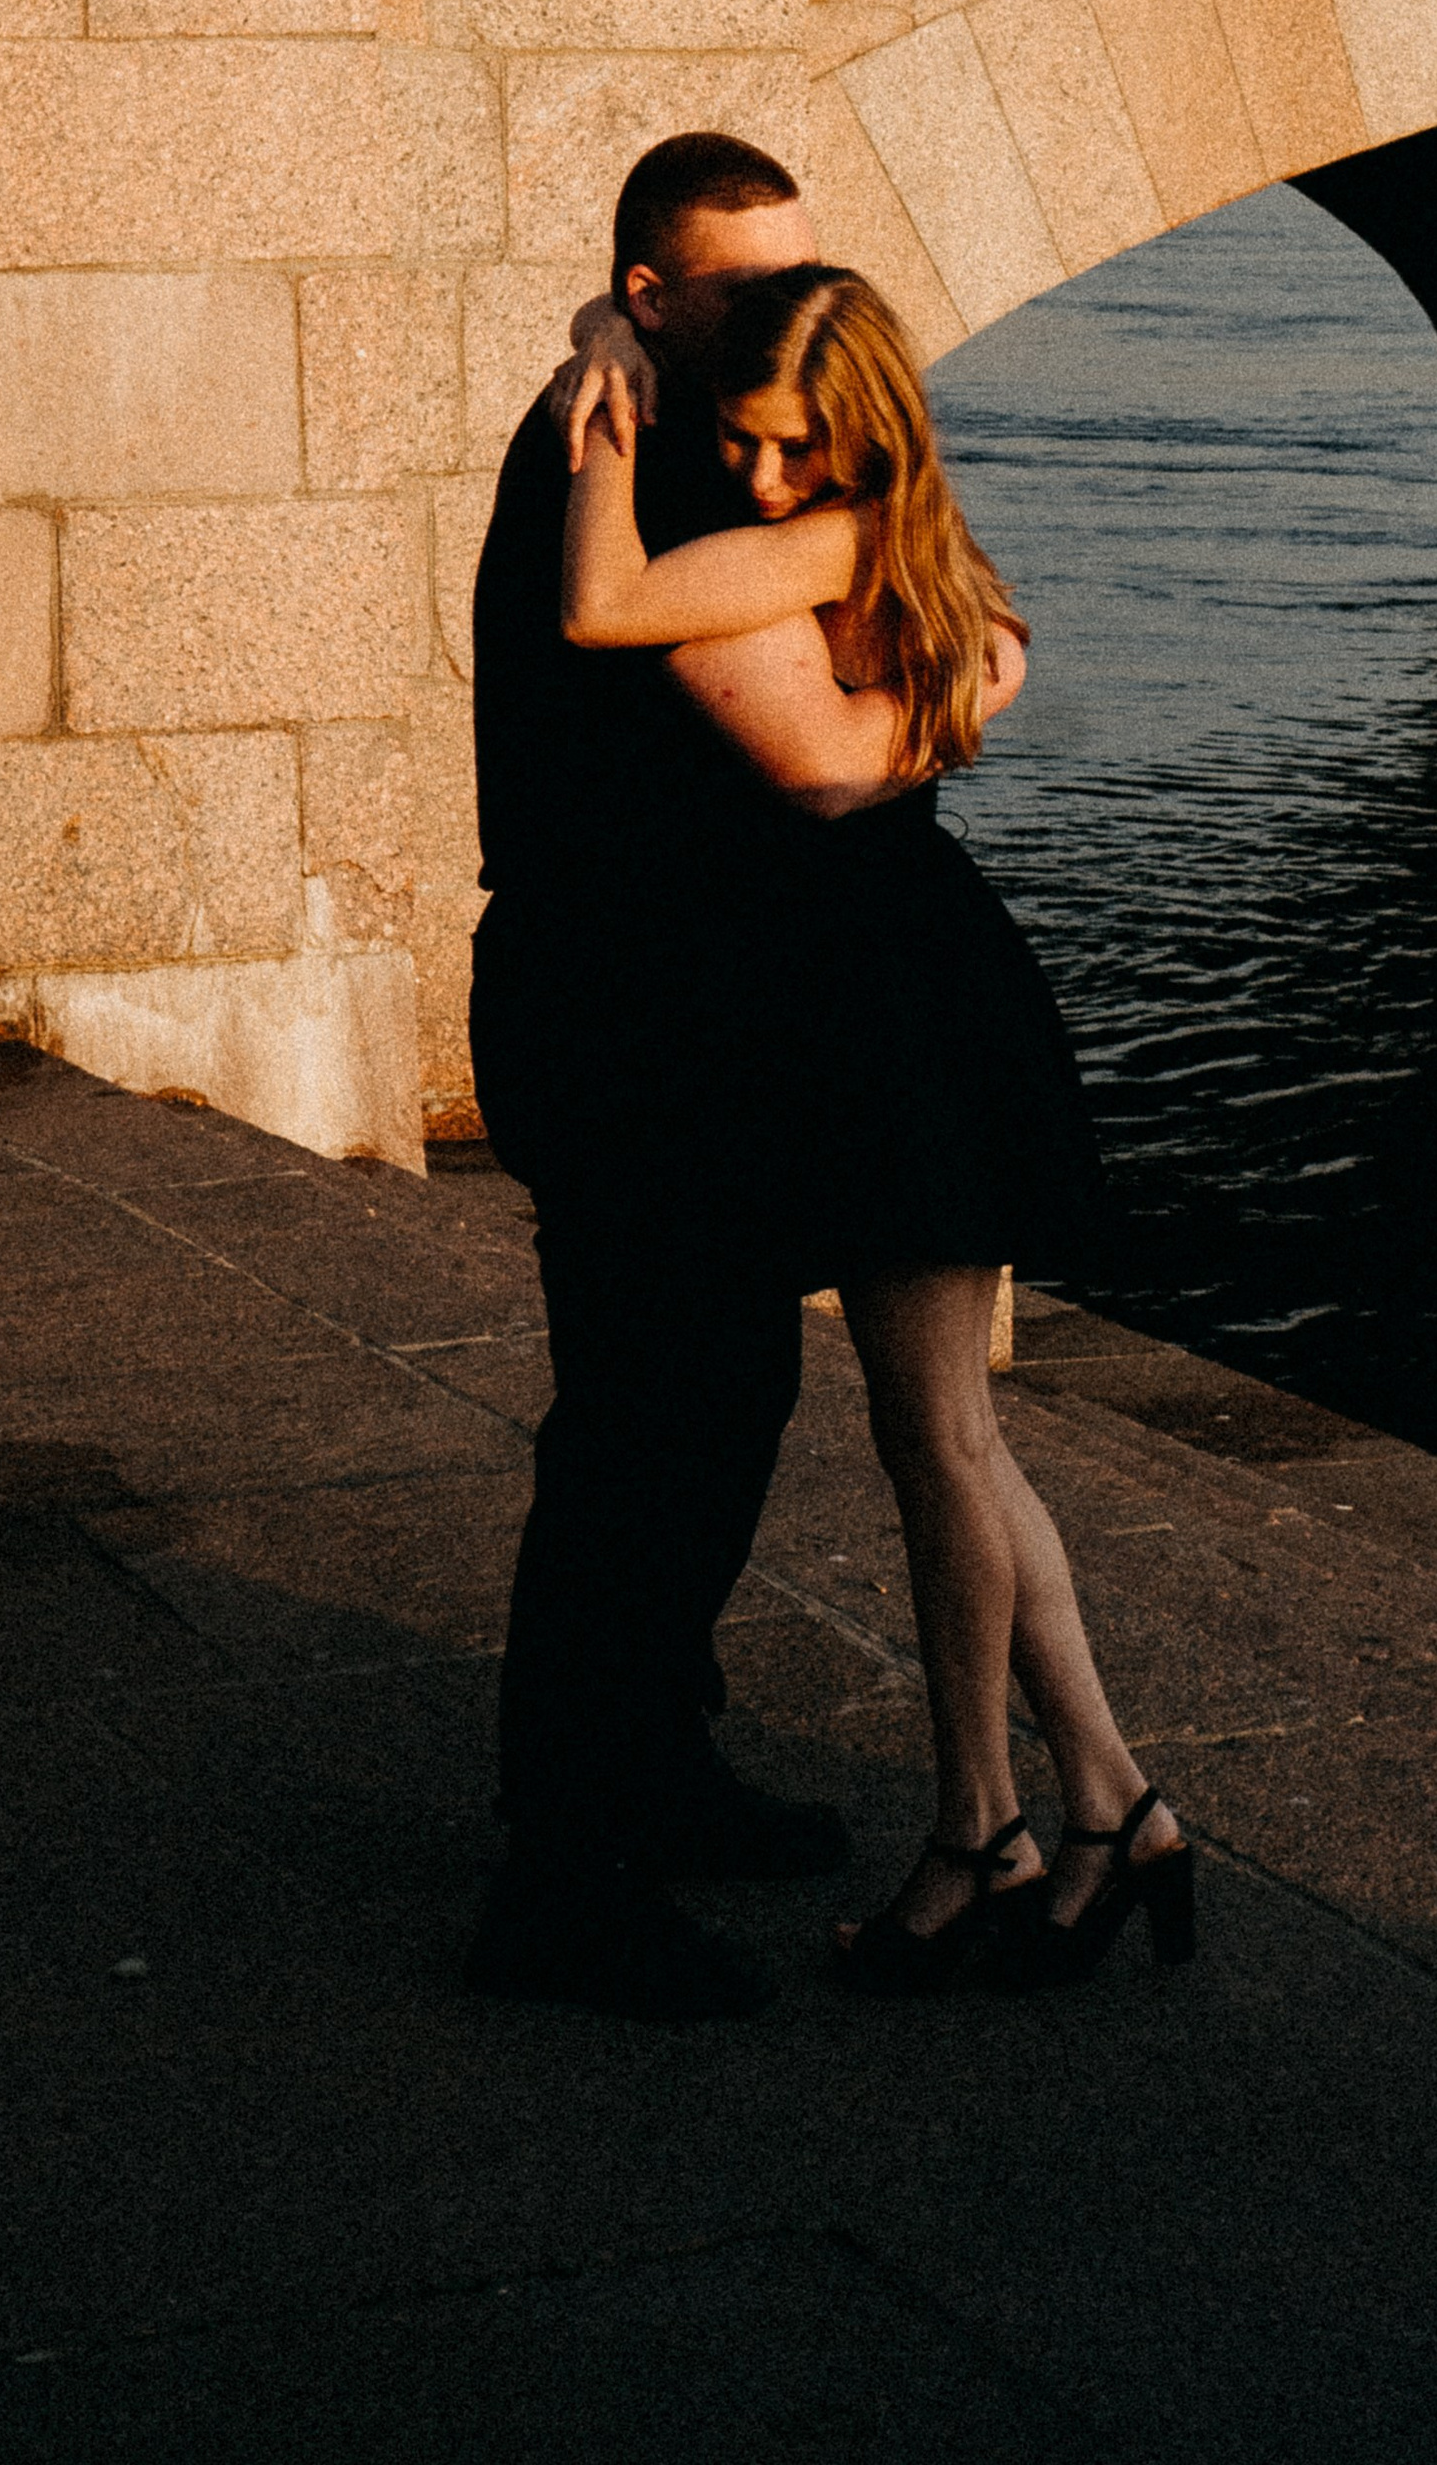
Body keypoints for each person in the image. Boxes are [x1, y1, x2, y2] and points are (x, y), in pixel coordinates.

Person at [560, 260, 1195, 1996]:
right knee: (957, 1438)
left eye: (790, 446)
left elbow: (608, 604)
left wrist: (601, 415)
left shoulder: (835, 541)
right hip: (894, 998)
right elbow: (968, 667)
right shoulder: (904, 534)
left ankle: (981, 1834)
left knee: (937, 1442)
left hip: (890, 1022)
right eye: (744, 445)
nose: (764, 479)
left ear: (860, 427)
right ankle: (1108, 1807)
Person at [463, 130, 856, 2028]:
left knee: (723, 1398)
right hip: (615, 1017)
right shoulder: (628, 459)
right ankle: (567, 1874)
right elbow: (806, 754)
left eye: (801, 270)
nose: (779, 307)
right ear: (648, 295)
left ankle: (660, 1765)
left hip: (675, 1019)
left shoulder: (662, 416)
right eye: (739, 283)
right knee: (638, 1438)